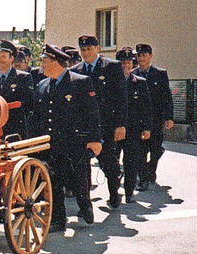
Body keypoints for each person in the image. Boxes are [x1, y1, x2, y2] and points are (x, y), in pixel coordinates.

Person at [32, 45, 102, 232]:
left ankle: (85, 205)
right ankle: (58, 219)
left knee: (79, 179)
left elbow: (92, 112)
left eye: (45, 61)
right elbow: (40, 116)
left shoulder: (80, 82)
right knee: (53, 182)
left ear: (55, 63)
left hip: (74, 142)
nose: (42, 65)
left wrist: (95, 139)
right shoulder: (43, 85)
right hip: (51, 143)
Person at [70, 35, 127, 208]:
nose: (86, 53)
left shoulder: (111, 67)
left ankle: (113, 192)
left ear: (97, 49)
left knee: (108, 162)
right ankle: (85, 203)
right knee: (82, 166)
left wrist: (120, 124)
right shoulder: (76, 70)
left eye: (89, 49)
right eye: (83, 50)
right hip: (83, 126)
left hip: (106, 124)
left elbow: (121, 97)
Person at [133, 43, 174, 191]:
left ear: (150, 56)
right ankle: (143, 178)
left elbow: (167, 97)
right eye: (139, 55)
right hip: (139, 119)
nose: (141, 58)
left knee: (155, 149)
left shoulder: (160, 74)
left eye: (144, 55)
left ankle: (151, 170)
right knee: (140, 151)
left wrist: (169, 117)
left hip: (156, 118)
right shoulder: (133, 74)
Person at [116, 48, 153, 203]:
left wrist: (147, 127)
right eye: (123, 63)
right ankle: (114, 187)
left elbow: (147, 107)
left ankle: (129, 192)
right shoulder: (111, 82)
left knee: (131, 162)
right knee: (111, 162)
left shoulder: (140, 82)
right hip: (115, 129)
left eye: (129, 63)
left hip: (133, 129)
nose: (126, 66)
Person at [0, 39, 34, 139]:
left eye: (3, 57)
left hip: (15, 130)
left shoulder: (23, 77)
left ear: (11, 58)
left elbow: (29, 104)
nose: (0, 60)